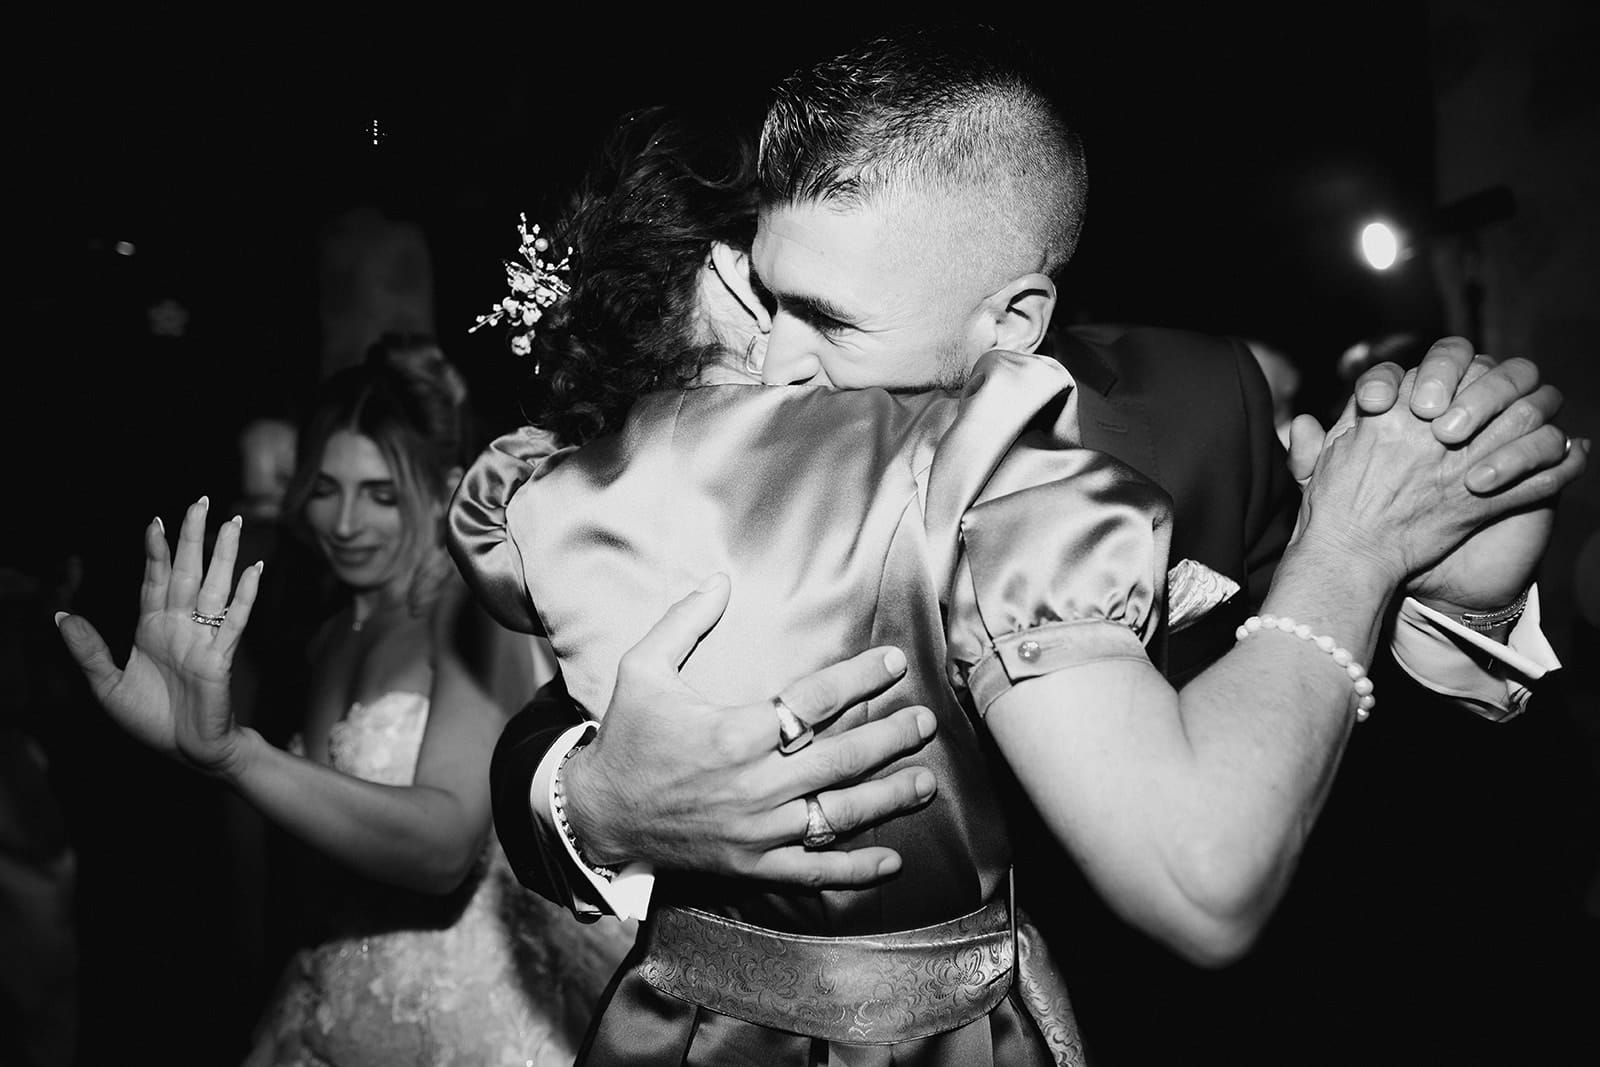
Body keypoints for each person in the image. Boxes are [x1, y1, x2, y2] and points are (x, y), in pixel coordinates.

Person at [452, 50, 1585, 1067]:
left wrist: (1450, 603)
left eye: (828, 320)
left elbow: (1310, 699)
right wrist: (595, 800)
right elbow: (559, 708)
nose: (775, 364)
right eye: (762, 300)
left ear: (1015, 317)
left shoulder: (1199, 404)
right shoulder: (708, 441)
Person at [54, 339, 634, 1066]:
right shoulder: (328, 632)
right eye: (326, 488)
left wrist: (235, 754)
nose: (347, 522)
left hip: (464, 1017)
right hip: (331, 992)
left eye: (381, 493)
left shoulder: (469, 613)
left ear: (443, 488)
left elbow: (445, 848)